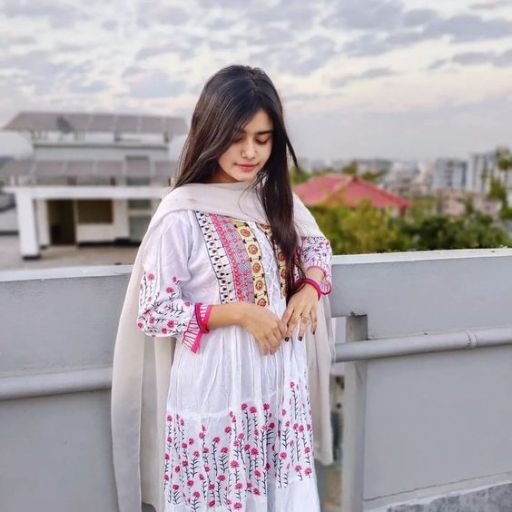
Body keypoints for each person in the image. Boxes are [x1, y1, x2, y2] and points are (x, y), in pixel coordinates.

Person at [111, 64, 335, 512]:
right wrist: (237, 312)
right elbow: (154, 309)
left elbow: (317, 247)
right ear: (210, 131)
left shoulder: (271, 197)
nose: (250, 151)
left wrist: (308, 289)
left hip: (277, 380)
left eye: (263, 137)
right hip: (218, 388)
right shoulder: (182, 211)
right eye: (237, 136)